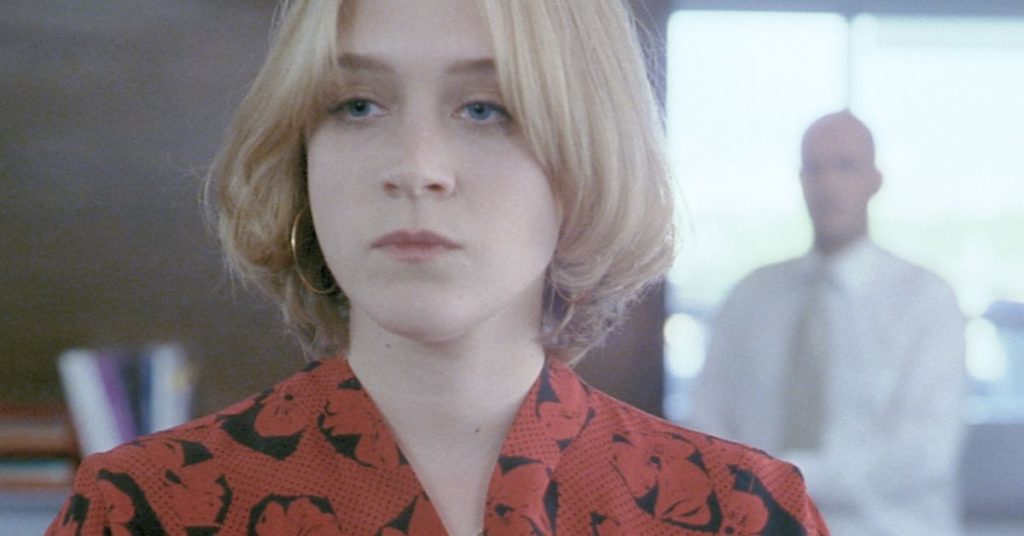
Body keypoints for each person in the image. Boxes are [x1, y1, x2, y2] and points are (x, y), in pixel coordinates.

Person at [48, 1, 828, 534]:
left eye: (486, 109)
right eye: (357, 105)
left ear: (586, 155)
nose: (416, 167)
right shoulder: (146, 509)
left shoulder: (740, 514)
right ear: (300, 151)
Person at [691, 111, 966, 535]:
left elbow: (925, 451)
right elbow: (706, 418)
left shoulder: (926, 299)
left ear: (875, 180)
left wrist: (783, 477)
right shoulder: (750, 296)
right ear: (800, 179)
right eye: (814, 167)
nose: (828, 183)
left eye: (845, 166)